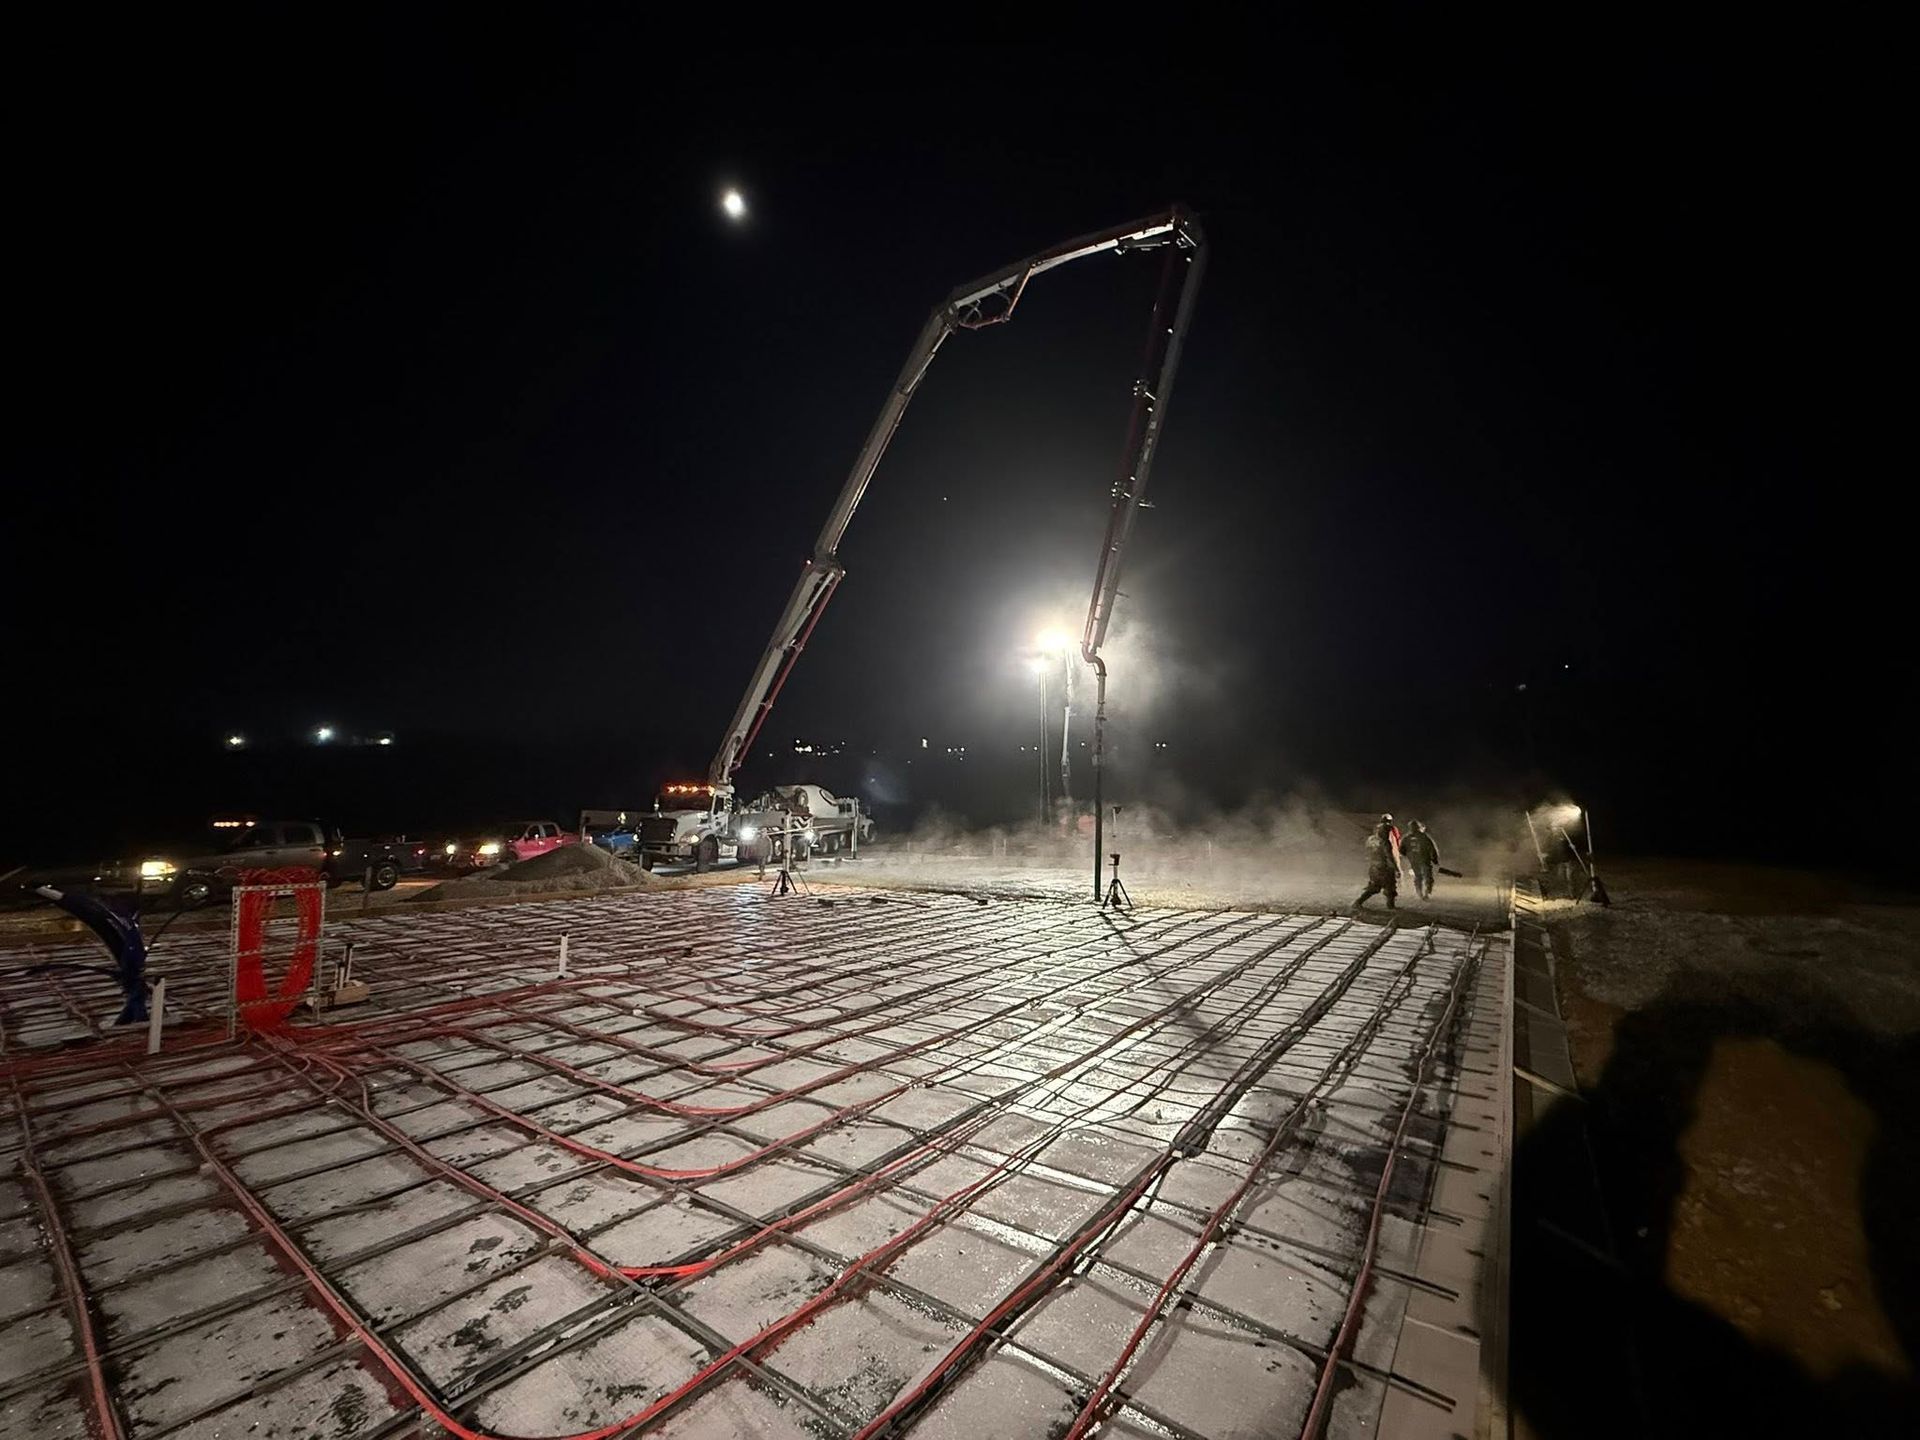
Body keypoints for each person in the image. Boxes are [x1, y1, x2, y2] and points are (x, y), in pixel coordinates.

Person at [1354, 812, 1400, 911]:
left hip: (1374, 866)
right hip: (1385, 867)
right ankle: (1391, 906)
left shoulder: (1371, 839)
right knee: (1390, 887)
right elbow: (1389, 855)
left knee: (1375, 887)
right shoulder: (1385, 841)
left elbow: (1366, 851)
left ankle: (1358, 902)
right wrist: (1397, 868)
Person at [1402, 819, 1441, 899]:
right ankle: (1427, 892)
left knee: (1418, 876)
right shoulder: (1424, 837)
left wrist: (1408, 856)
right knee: (1427, 876)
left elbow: (1401, 850)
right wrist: (1435, 859)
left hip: (1414, 861)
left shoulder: (1407, 838)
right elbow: (1432, 848)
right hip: (1425, 860)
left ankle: (1419, 892)